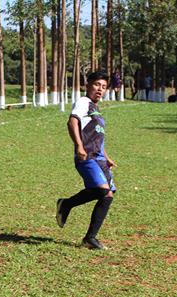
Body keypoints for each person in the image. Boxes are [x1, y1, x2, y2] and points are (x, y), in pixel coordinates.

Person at [55, 71, 117, 250]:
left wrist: (107, 157)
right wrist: (79, 146)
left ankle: (90, 238)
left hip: (99, 158)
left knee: (108, 195)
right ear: (87, 84)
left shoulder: (96, 109)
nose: (100, 89)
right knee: (101, 190)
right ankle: (65, 204)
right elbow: (72, 122)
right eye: (97, 84)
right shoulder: (83, 102)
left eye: (104, 87)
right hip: (87, 156)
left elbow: (97, 136)